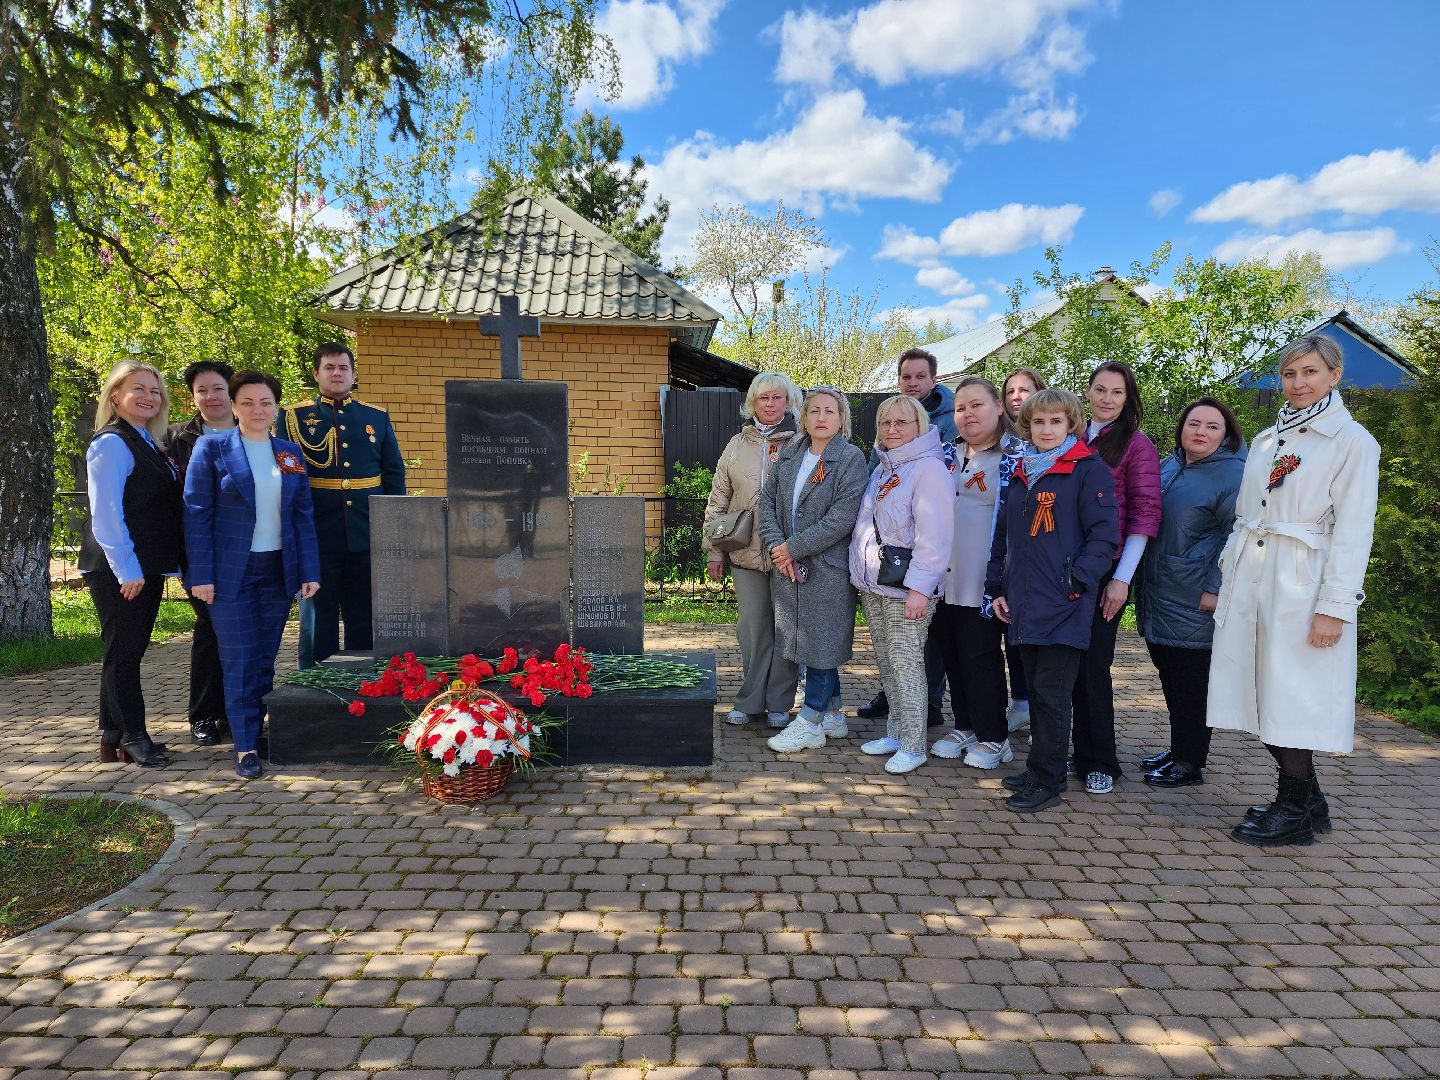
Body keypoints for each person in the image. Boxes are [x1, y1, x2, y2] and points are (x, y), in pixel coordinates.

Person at [1209, 336, 1380, 845]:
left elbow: (1353, 532)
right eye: (1289, 374)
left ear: (1334, 374)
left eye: (1309, 372)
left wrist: (1334, 606)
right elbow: (1248, 516)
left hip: (1301, 585)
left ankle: (1294, 807)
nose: (1299, 383)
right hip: (1253, 578)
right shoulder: (1266, 440)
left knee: (1293, 698)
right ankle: (1310, 800)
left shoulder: (1352, 442)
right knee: (1258, 691)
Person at [185, 371, 321, 780]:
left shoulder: (289, 453)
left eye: (265, 402)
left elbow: (303, 514)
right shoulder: (212, 449)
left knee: (263, 661)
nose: (257, 410)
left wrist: (309, 570)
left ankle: (255, 730)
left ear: (276, 407)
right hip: (230, 575)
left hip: (277, 570)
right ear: (233, 405)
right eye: (247, 402)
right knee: (239, 660)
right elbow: (196, 515)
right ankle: (244, 747)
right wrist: (202, 574)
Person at [989, 389, 1118, 813]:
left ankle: (1049, 780)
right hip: (1025, 602)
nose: (1046, 429)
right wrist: (999, 586)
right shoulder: (1024, 470)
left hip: (1065, 601)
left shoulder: (1087, 470)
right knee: (1035, 690)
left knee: (1052, 694)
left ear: (1071, 425)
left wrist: (1077, 581)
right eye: (1039, 422)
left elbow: (1104, 536)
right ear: (1028, 424)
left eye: (1055, 422)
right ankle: (1037, 768)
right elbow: (1005, 536)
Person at [1135, 398, 1246, 789]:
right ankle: (1179, 748)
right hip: (1160, 590)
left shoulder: (1234, 476)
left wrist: (1215, 589)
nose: (1200, 432)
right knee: (1171, 677)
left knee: (1191, 684)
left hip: (1195, 595)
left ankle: (1189, 763)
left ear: (1226, 433)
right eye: (1193, 423)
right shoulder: (1171, 465)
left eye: (1212, 427)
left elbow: (1240, 537)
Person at [79, 361, 184, 767]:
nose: (148, 397)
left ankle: (112, 736)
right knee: (124, 653)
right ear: (115, 396)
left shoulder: (145, 440)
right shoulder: (111, 443)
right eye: (138, 389)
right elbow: (106, 514)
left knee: (125, 650)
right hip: (120, 569)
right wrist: (128, 570)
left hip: (142, 566)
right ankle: (133, 736)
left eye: (155, 391)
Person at [279, 342, 405, 667]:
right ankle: (315, 684)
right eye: (330, 368)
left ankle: (362, 680)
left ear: (352, 373)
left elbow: (393, 474)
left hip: (366, 531)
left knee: (363, 612)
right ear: (316, 373)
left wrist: (392, 528)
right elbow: (286, 480)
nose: (337, 373)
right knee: (318, 614)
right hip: (318, 533)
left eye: (343, 368)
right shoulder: (293, 417)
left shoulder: (375, 417)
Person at [761, 387, 868, 755]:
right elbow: (767, 503)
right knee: (808, 641)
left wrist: (793, 547)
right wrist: (779, 548)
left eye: (830, 411)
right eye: (815, 411)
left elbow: (841, 518)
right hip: (787, 566)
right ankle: (834, 713)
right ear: (803, 417)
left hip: (827, 568)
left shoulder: (851, 458)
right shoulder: (789, 453)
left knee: (823, 642)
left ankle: (809, 723)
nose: (822, 418)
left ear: (842, 419)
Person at [849, 395, 953, 773]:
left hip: (907, 588)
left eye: (902, 423)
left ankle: (913, 744)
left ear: (919, 426)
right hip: (876, 584)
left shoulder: (928, 469)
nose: (892, 429)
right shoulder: (884, 467)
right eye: (885, 423)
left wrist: (921, 589)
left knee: (907, 663)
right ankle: (896, 731)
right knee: (888, 663)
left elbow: (936, 535)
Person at [1071, 361, 1161, 794]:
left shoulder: (1137, 446)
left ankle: (1100, 760)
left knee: (1093, 666)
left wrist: (1121, 578)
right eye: (1101, 390)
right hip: (1066, 567)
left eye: (1117, 393)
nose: (1107, 399)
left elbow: (1144, 515)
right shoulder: (1071, 438)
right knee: (1065, 664)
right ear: (1087, 392)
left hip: (1108, 567)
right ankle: (1075, 750)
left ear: (1128, 400)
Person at [931, 377, 1027, 769]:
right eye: (960, 408)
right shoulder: (945, 455)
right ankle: (967, 724)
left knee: (981, 656)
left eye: (977, 405)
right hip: (942, 577)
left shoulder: (1018, 455)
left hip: (986, 580)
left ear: (999, 408)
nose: (967, 414)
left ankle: (994, 736)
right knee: (951, 655)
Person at [859, 347, 957, 728]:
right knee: (895, 649)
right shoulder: (886, 439)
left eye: (920, 376)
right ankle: (897, 706)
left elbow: (934, 517)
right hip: (888, 558)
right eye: (906, 377)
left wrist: (922, 580)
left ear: (934, 379)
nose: (913, 383)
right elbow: (875, 476)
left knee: (918, 644)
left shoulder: (946, 426)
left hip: (924, 554)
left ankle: (925, 708)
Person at [704, 372, 803, 729]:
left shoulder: (803, 443)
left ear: (789, 402)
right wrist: (715, 550)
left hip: (789, 554)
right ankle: (750, 701)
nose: (771, 404)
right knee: (752, 629)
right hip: (744, 553)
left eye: (778, 398)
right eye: (764, 398)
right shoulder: (736, 445)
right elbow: (719, 500)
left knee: (786, 629)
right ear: (753, 403)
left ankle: (779, 702)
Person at [167, 360, 236, 747]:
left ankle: (239, 711)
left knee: (245, 634)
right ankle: (205, 714)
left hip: (249, 552)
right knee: (211, 629)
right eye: (202, 391)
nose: (211, 397)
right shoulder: (175, 439)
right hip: (200, 552)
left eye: (218, 389)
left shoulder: (256, 432)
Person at [997, 366, 1048, 733]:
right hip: (996, 550)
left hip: (1035, 555)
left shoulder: (1045, 444)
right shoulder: (995, 439)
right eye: (1011, 391)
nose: (1017, 396)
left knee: (1028, 637)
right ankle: (1018, 704)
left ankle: (1035, 708)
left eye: (1025, 389)